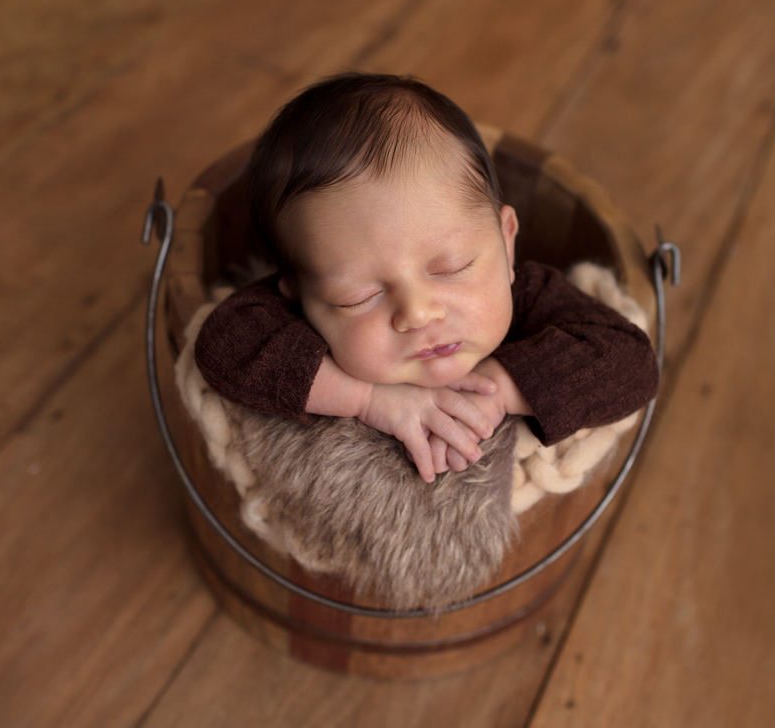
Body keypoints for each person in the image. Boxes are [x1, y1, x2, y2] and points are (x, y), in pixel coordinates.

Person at [195, 73, 658, 483]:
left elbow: (630, 363)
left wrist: (500, 389)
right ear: (299, 297)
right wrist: (365, 397)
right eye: (360, 296)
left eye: (451, 267)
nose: (417, 312)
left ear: (506, 242)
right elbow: (223, 343)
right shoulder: (284, 316)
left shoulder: (530, 297)